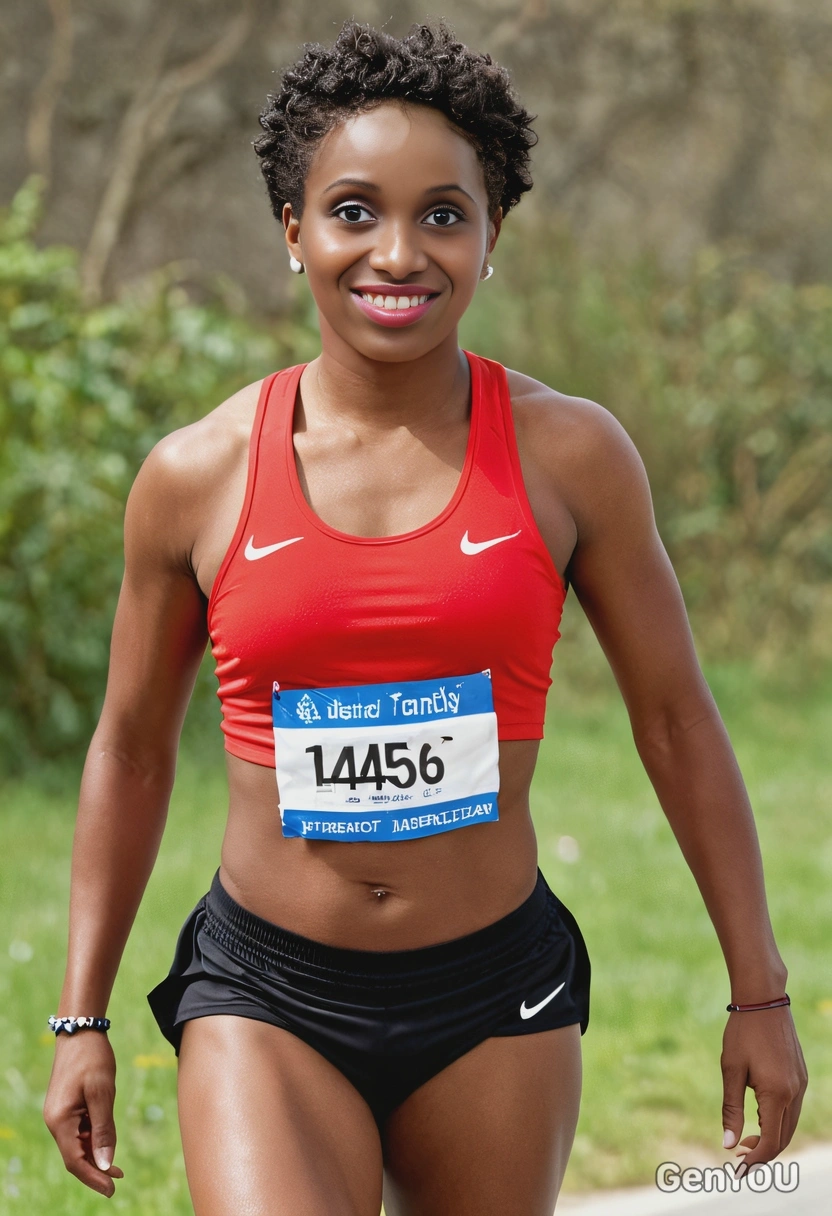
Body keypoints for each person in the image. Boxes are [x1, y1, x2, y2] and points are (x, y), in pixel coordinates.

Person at [43, 20, 807, 1216]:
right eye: (354, 210)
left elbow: (673, 719)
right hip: (266, 993)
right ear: (292, 230)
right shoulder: (197, 477)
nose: (397, 252)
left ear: (493, 232)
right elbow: (131, 749)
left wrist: (756, 992)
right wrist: (79, 1014)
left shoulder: (571, 456)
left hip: (491, 996)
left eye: (442, 214)